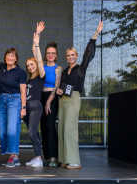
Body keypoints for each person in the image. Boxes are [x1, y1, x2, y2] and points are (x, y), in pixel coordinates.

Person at [56, 21, 104, 169]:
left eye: (73, 55)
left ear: (76, 56)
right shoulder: (64, 71)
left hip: (73, 99)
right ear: (66, 57)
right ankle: (65, 159)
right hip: (63, 101)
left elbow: (88, 53)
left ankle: (74, 161)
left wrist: (96, 34)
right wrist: (58, 91)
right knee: (62, 128)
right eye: (68, 55)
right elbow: (61, 88)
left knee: (70, 129)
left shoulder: (80, 69)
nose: (71, 57)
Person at [23, 22, 46, 168]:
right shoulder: (28, 79)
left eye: (32, 65)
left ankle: (39, 158)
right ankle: (37, 157)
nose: (31, 67)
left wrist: (37, 39)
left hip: (36, 106)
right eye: (28, 66)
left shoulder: (41, 76)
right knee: (34, 134)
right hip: (26, 108)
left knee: (32, 133)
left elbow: (38, 58)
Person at [40, 41, 62, 167]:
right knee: (43, 127)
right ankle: (47, 157)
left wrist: (48, 102)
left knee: (50, 126)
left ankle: (54, 157)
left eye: (53, 53)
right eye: (48, 53)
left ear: (56, 55)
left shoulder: (58, 68)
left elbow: (56, 86)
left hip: (51, 98)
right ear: (45, 54)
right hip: (40, 97)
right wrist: (37, 40)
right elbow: (35, 53)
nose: (50, 55)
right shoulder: (41, 65)